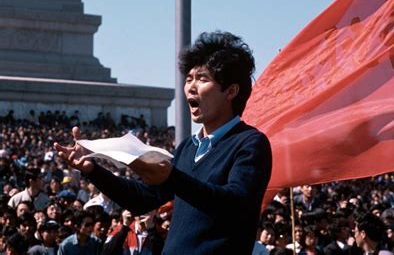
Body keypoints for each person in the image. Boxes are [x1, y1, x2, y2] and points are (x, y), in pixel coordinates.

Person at [54, 31, 273, 254]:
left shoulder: (250, 143)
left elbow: (235, 205)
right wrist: (92, 169)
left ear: (231, 91)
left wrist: (173, 177)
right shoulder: (189, 147)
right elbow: (142, 199)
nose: (191, 87)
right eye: (189, 79)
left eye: (202, 78)